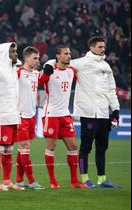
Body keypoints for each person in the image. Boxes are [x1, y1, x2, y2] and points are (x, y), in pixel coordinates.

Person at [70, 36, 121, 188]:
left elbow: (111, 90)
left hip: (104, 114)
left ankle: (102, 179)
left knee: (102, 147)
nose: (103, 49)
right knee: (86, 146)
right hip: (88, 113)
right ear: (92, 47)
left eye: (103, 47)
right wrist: (47, 66)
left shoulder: (106, 66)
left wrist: (116, 110)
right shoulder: (81, 63)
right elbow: (59, 63)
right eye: (100, 47)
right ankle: (85, 178)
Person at [39, 46, 90, 189]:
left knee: (73, 146)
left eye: (69, 54)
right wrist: (46, 68)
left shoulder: (71, 72)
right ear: (58, 56)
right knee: (51, 146)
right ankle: (52, 181)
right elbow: (37, 82)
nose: (69, 56)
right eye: (66, 54)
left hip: (65, 114)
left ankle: (74, 181)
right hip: (51, 114)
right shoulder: (49, 70)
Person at [0, 42, 25, 191]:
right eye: (13, 51)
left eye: (15, 51)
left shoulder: (13, 70)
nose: (16, 53)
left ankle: (7, 182)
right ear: (4, 54)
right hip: (2, 116)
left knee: (9, 149)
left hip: (14, 115)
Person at [14, 46, 45, 190]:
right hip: (20, 115)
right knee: (24, 147)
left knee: (24, 149)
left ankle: (19, 180)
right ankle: (31, 180)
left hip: (32, 115)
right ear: (26, 58)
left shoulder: (36, 74)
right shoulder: (17, 73)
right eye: (35, 58)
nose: (38, 61)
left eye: (38, 58)